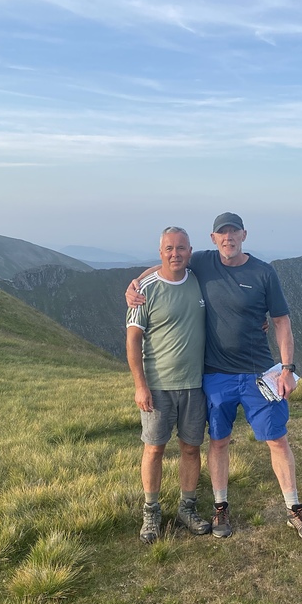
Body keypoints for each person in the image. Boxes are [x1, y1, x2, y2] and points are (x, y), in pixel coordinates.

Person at [127, 212, 302, 542]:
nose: (228, 238)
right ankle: (219, 508)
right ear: (213, 239)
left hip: (259, 373)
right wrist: (134, 284)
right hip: (216, 375)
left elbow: (281, 321)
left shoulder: (263, 272)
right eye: (221, 233)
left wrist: (287, 368)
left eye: (233, 232)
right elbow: (168, 264)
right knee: (218, 442)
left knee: (277, 439)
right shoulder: (202, 262)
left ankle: (294, 509)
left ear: (244, 235)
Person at [126, 226, 211, 543]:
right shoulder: (145, 290)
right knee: (154, 449)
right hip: (157, 386)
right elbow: (133, 341)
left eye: (181, 248)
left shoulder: (199, 280)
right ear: (160, 252)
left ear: (190, 251)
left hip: (195, 384)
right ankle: (151, 513)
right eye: (169, 249)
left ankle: (187, 508)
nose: (175, 254)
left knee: (191, 448)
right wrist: (140, 386)